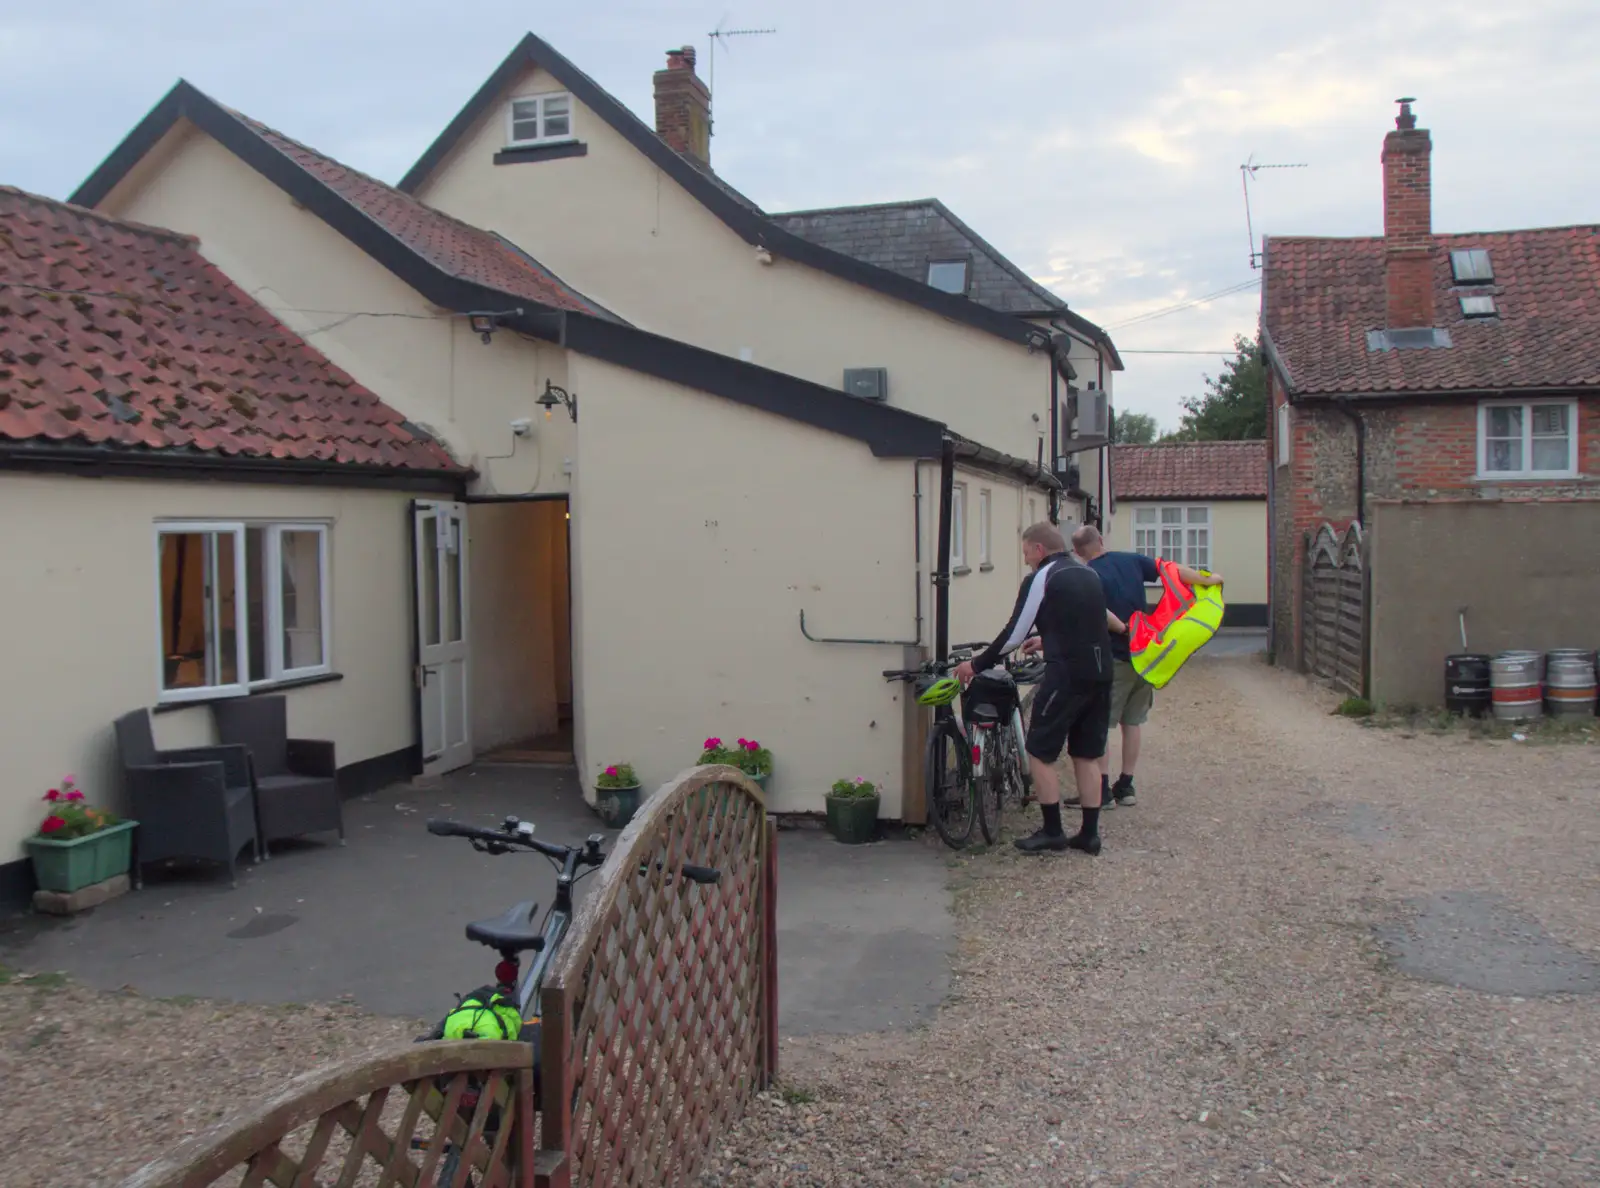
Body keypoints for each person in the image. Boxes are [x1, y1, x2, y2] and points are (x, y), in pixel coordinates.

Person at [955, 522, 1127, 855]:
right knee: (1086, 753)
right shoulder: (1087, 573)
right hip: (1101, 670)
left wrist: (976, 665)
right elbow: (1089, 621)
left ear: (1039, 550)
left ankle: (1052, 831)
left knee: (1039, 750)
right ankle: (1089, 836)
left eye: (1025, 553)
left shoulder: (1042, 577)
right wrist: (1047, 639)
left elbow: (1014, 633)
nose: (1025, 561)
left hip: (1068, 676)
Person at [1069, 525, 1222, 809]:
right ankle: (1126, 785)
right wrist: (1210, 579)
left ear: (1078, 553)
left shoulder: (1088, 575)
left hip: (1114, 656)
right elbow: (1172, 570)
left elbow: (1098, 615)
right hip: (1146, 656)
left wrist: (1122, 630)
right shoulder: (1132, 560)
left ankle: (1101, 790)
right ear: (1101, 540)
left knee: (1100, 724)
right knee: (1133, 721)